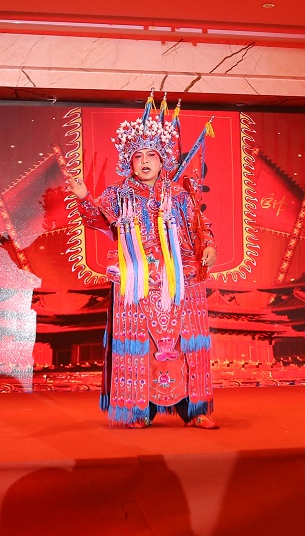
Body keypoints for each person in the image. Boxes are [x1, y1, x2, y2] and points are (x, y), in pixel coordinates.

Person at [65, 95, 220, 429]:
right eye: (138, 156)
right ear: (130, 162)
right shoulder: (117, 195)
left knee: (186, 343)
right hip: (137, 279)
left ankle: (194, 411)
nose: (145, 161)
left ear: (163, 161)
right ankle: (139, 411)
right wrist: (83, 198)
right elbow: (98, 221)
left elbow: (200, 228)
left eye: (152, 155)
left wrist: (209, 246)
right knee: (140, 346)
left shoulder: (180, 195)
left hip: (181, 278)